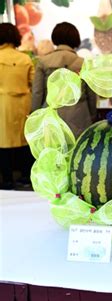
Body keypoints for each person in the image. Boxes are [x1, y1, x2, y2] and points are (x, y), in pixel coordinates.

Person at [32, 22, 97, 138]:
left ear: (55, 38)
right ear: (75, 39)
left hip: (52, 117)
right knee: (78, 153)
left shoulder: (43, 62)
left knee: (54, 153)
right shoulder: (83, 63)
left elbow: (37, 93)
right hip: (80, 117)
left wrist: (35, 116)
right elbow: (91, 94)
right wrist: (92, 115)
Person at [0, 23, 35, 189]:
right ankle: (26, 177)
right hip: (24, 104)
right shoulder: (25, 58)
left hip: (3, 104)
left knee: (3, 141)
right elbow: (33, 82)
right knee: (25, 140)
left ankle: (7, 179)